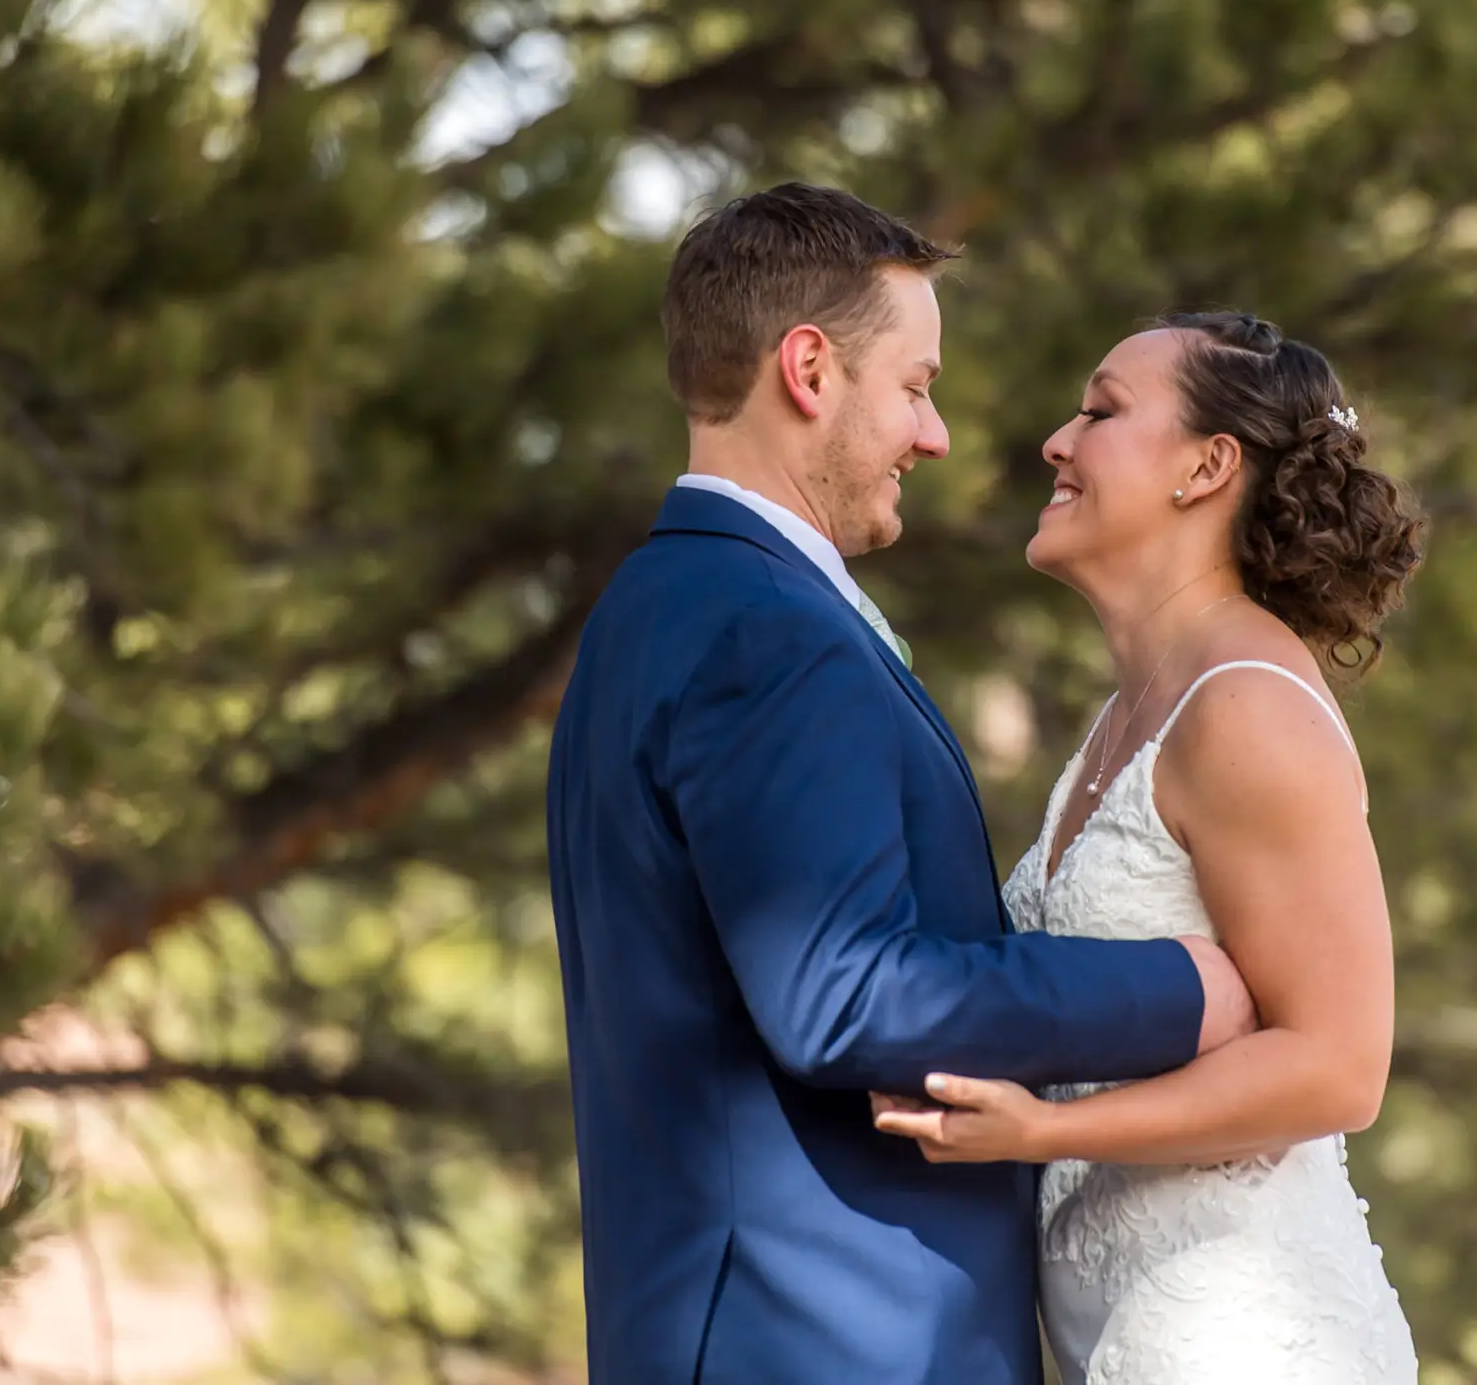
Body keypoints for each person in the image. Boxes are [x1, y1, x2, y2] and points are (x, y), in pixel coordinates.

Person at [545, 183, 1257, 1385]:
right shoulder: (765, 628)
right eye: (917, 387)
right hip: (823, 1339)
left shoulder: (653, 609)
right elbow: (839, 991)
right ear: (810, 370)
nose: (934, 436)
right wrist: (1180, 990)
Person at [874, 312, 1424, 1384]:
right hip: (1124, 1330)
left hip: (1234, 1335)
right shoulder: (1132, 711)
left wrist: (1037, 1130)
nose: (1056, 440)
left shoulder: (1247, 709)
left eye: (1102, 410)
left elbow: (1339, 1062)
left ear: (1206, 466)